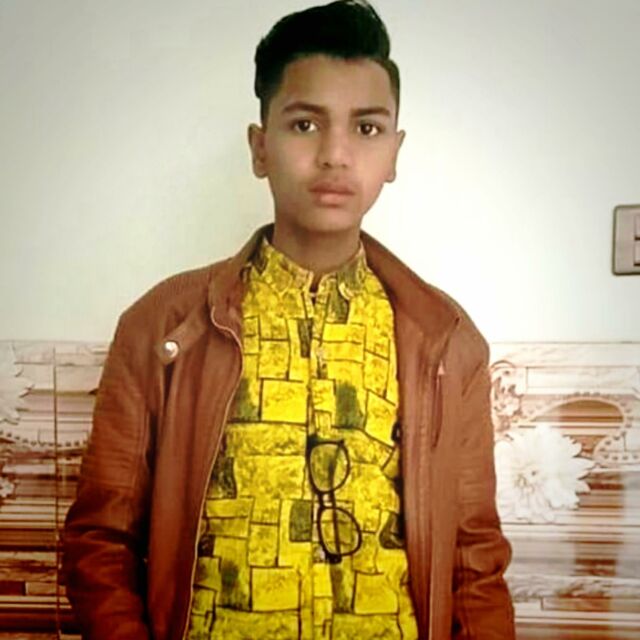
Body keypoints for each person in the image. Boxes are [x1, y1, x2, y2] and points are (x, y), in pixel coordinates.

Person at [63, 1, 515, 638]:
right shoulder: (163, 326)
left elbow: (474, 560)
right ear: (260, 147)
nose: (335, 155)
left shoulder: (446, 341)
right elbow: (100, 542)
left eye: (366, 128)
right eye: (305, 124)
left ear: (394, 153)